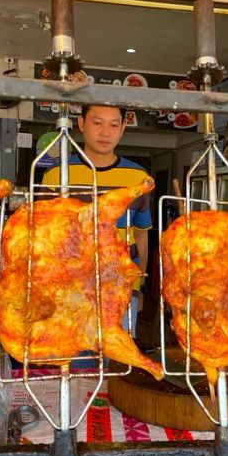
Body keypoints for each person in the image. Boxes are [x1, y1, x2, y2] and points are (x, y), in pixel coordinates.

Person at [41, 105, 151, 337]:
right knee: (75, 357)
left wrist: (138, 289)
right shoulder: (57, 173)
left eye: (113, 125)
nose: (105, 132)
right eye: (97, 122)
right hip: (70, 288)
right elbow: (45, 240)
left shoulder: (139, 178)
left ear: (122, 129)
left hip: (120, 285)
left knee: (114, 359)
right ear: (81, 124)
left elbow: (141, 235)